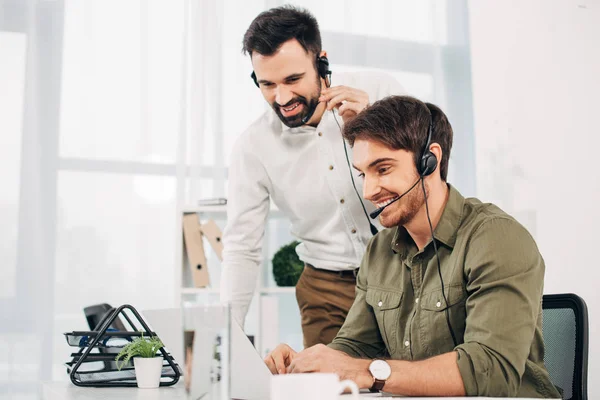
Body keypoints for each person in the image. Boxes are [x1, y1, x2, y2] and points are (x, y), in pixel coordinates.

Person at [263, 95, 561, 398]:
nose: (368, 191)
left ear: (429, 161)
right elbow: (354, 347)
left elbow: (490, 369)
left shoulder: (496, 238)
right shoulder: (379, 250)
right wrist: (307, 364)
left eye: (383, 169)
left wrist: (367, 372)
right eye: (363, 174)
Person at [220, 5, 405, 347]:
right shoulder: (253, 147)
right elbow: (241, 247)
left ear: (321, 61)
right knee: (327, 389)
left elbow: (430, 179)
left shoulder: (381, 91)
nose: (282, 98)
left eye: (293, 80)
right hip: (325, 290)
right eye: (267, 85)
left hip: (407, 270)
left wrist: (374, 125)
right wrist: (225, 335)